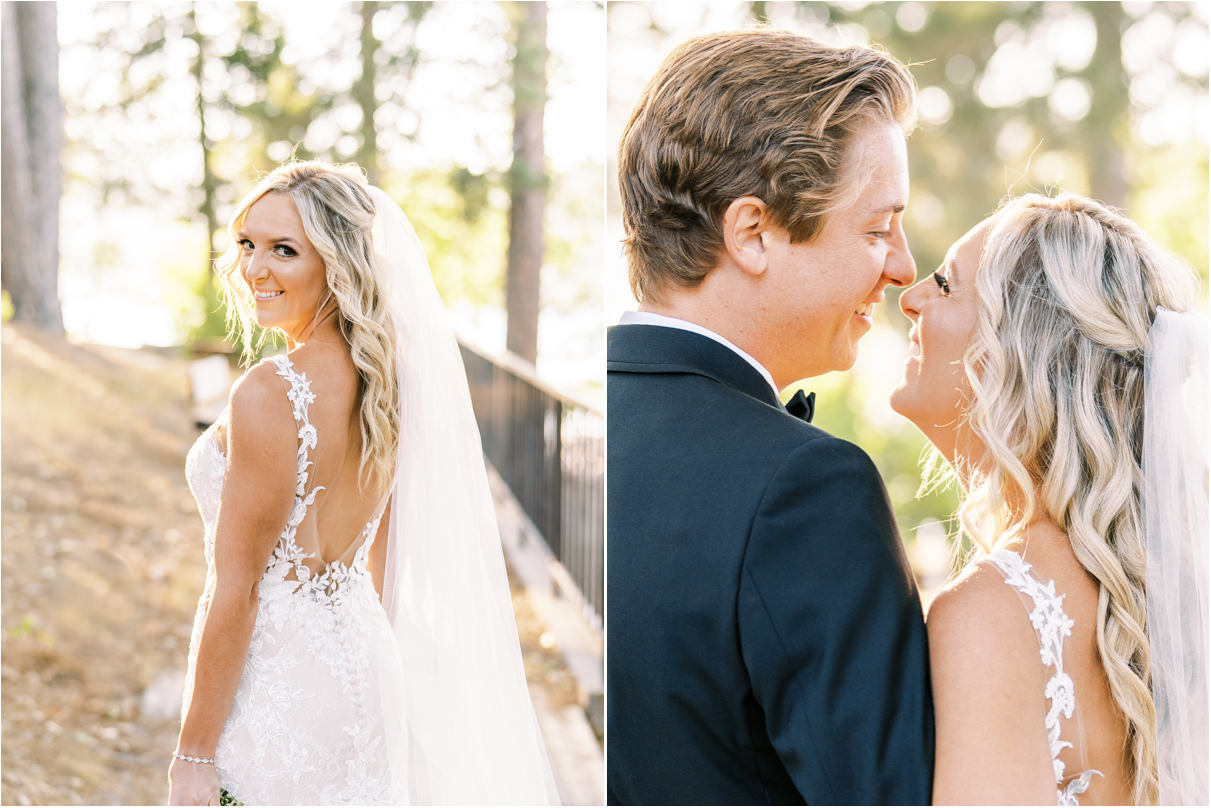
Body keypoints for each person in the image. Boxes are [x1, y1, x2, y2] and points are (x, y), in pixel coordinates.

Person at [607, 29, 934, 805]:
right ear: (753, 232)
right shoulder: (807, 486)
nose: (902, 268)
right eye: (877, 227)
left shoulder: (583, 424)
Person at [168, 161, 560, 805]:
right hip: (365, 662)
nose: (253, 270)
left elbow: (235, 588)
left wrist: (193, 755)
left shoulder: (270, 392)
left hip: (276, 681)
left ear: (338, 264)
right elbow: (384, 550)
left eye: (284, 251)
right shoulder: (390, 382)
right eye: (248, 244)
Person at [890, 193, 1207, 805]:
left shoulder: (992, 613)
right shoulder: (1169, 591)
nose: (910, 297)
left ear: (1015, 351)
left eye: (946, 286)